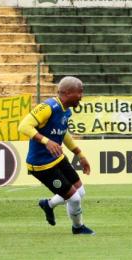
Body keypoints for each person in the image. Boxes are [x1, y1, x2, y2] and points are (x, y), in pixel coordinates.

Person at [18, 76, 94, 235]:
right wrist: (46, 141)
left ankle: (49, 204)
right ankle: (78, 228)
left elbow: (62, 132)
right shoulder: (48, 107)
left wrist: (79, 154)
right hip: (41, 165)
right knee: (74, 199)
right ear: (67, 93)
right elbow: (23, 126)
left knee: (80, 192)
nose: (81, 96)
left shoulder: (66, 111)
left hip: (58, 159)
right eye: (79, 92)